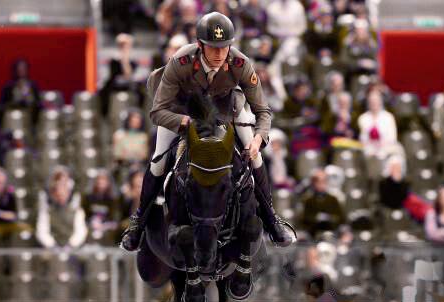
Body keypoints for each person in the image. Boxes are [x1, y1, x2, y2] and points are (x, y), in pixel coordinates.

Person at [121, 12, 294, 251]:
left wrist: (257, 140)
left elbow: (263, 111)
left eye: (224, 47)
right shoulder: (181, 61)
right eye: (213, 48)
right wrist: (186, 123)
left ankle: (272, 219)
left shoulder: (240, 63)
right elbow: (157, 112)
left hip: (226, 110)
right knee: (158, 162)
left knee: (255, 158)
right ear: (200, 45)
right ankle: (138, 223)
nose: (219, 54)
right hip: (181, 110)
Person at [36, 167, 87, 249]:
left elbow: (81, 232)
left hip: (73, 249)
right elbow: (42, 232)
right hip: (51, 249)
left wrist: (71, 245)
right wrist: (52, 246)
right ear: (54, 194)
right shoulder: (46, 211)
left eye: (63, 193)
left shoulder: (77, 211)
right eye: (58, 194)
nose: (61, 196)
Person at [357, 89, 403, 160]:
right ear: (368, 102)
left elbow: (392, 137)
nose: (374, 103)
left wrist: (381, 144)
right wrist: (372, 145)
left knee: (396, 153)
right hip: (369, 149)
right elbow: (362, 138)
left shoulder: (388, 117)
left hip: (386, 148)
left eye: (376, 101)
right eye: (372, 101)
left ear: (380, 101)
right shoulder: (363, 118)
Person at [302, 168, 346, 238]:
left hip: (331, 233)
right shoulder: (308, 200)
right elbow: (304, 219)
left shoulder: (333, 199)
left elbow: (341, 218)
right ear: (313, 183)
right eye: (318, 182)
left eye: (324, 181)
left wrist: (329, 218)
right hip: (314, 234)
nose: (321, 184)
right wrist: (316, 218)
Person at [82, 170, 120, 243]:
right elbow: (84, 215)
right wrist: (91, 222)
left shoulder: (113, 199)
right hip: (90, 227)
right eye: (99, 179)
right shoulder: (88, 197)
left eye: (104, 180)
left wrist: (104, 225)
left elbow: (115, 219)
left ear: (108, 182)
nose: (101, 182)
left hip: (108, 229)